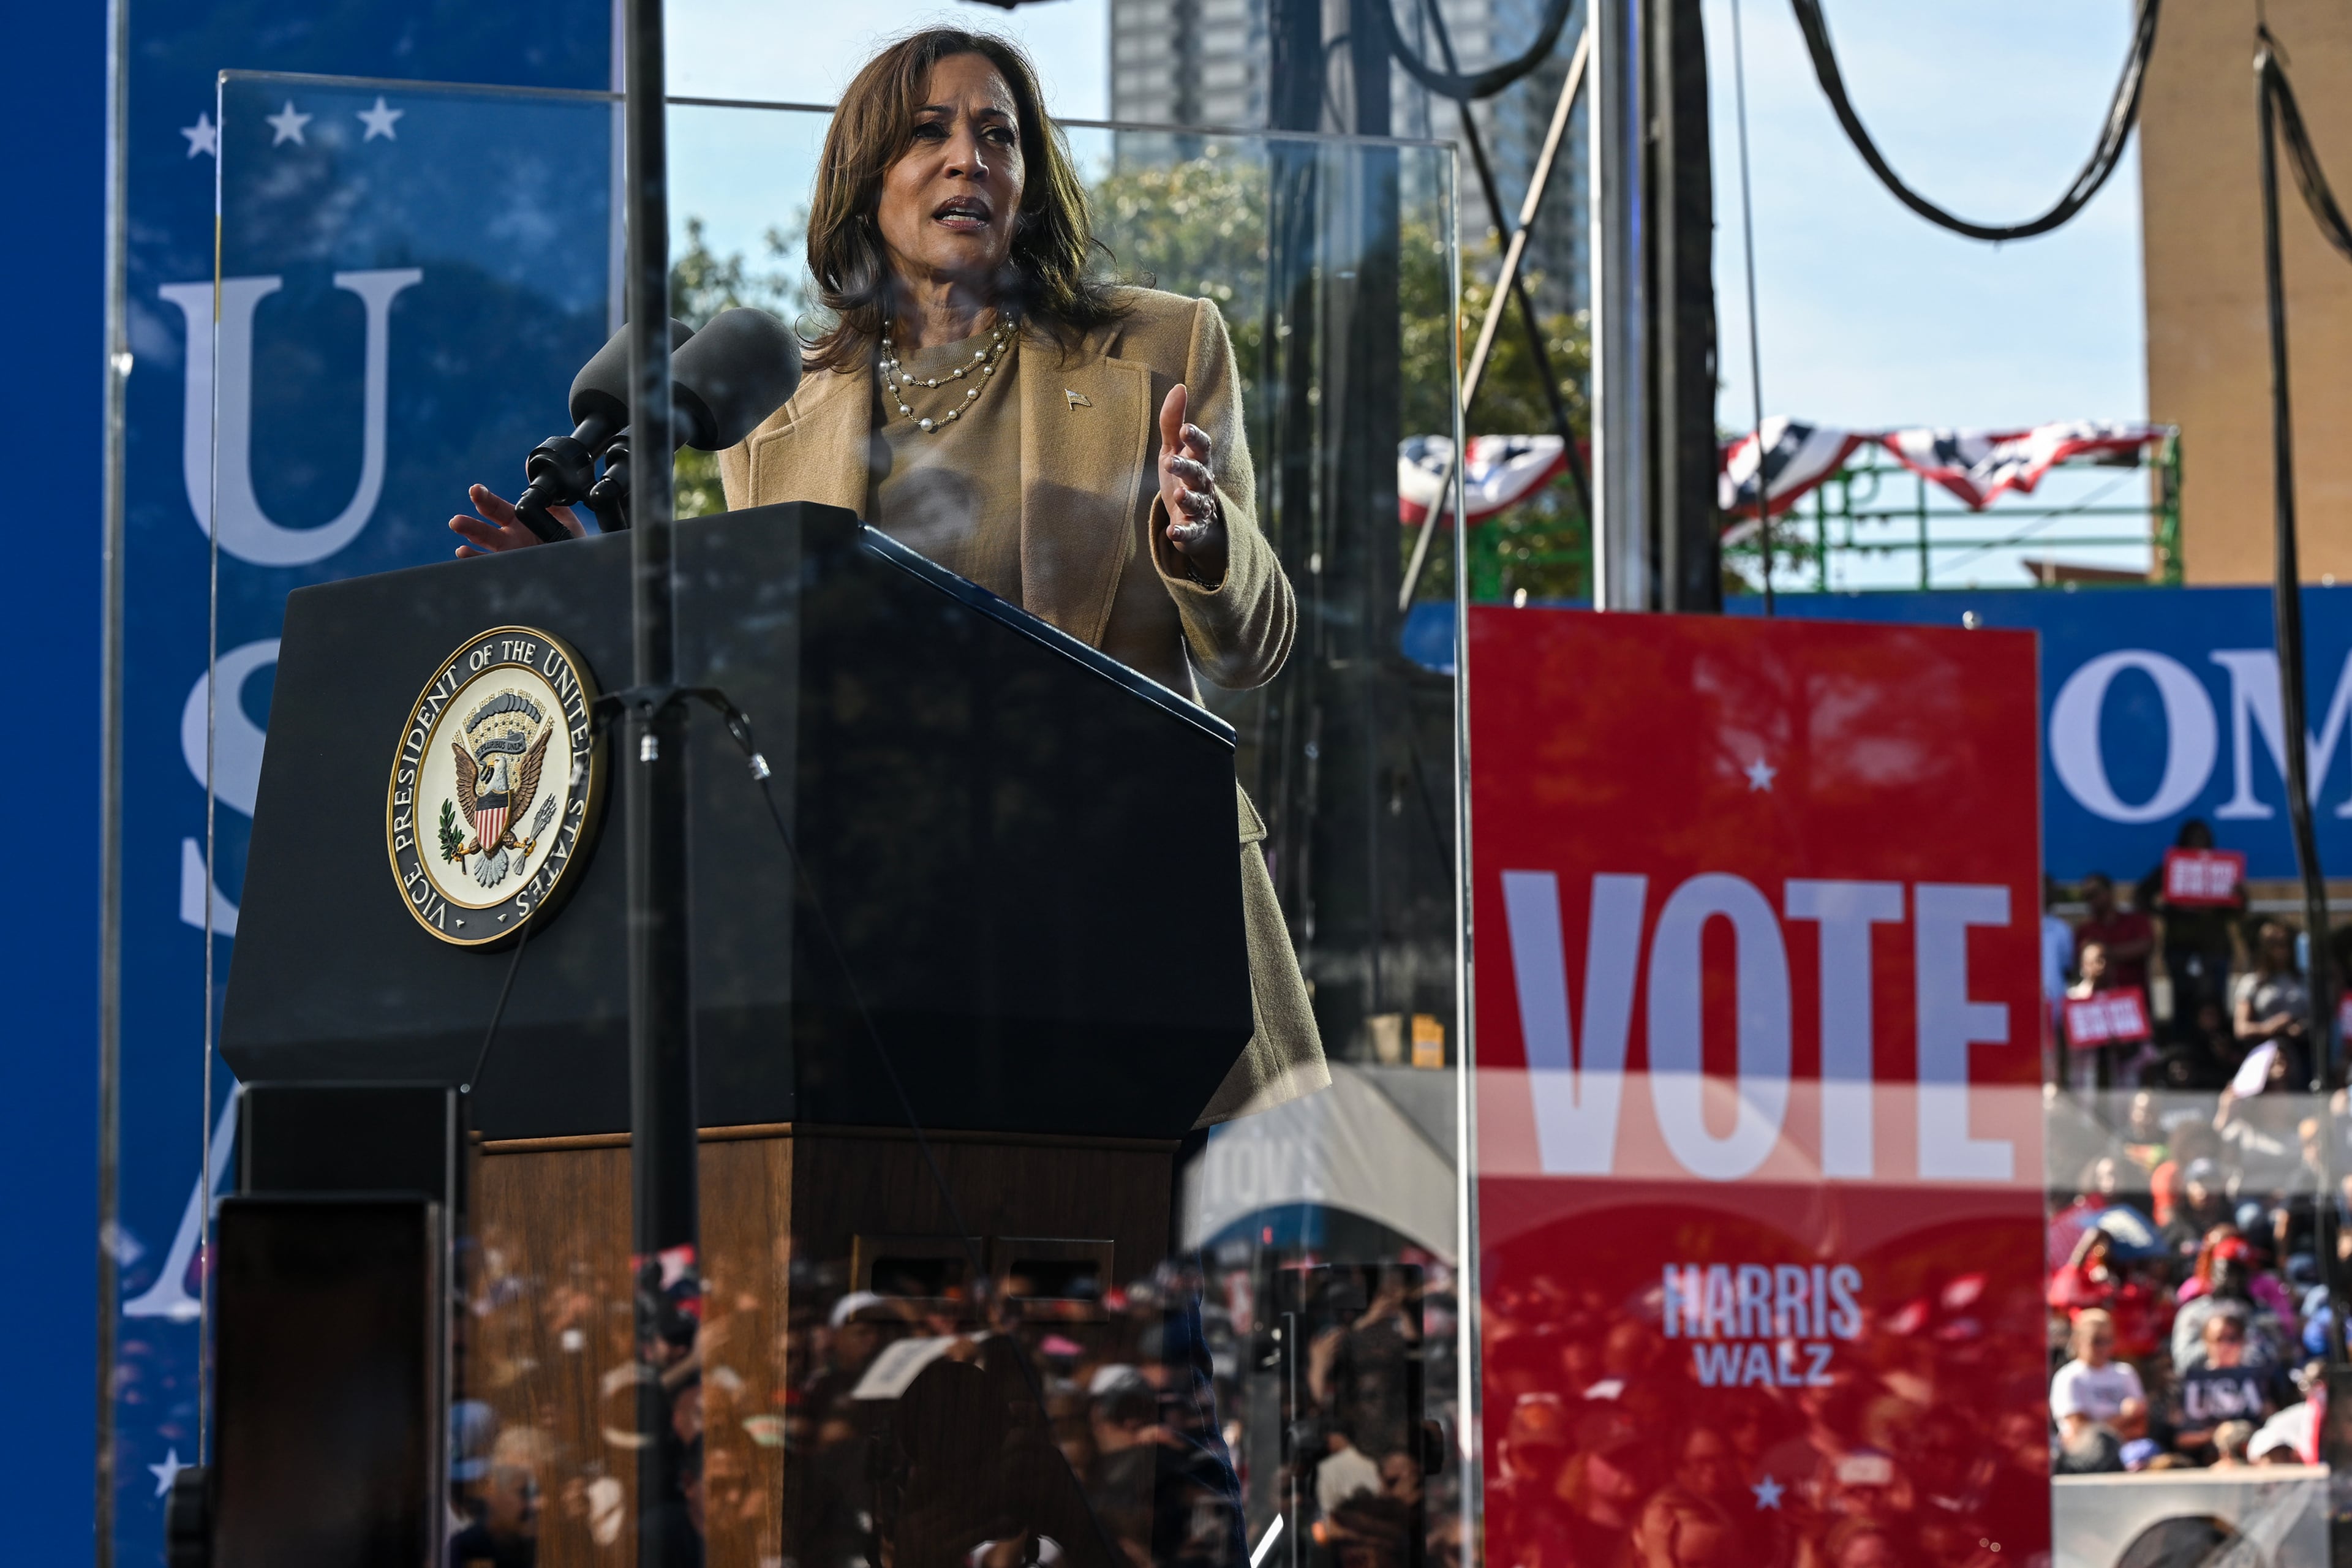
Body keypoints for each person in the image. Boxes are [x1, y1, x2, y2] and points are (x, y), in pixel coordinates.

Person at [447, 26, 1324, 1129]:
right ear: (866, 181)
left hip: (1130, 914)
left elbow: (1255, 650)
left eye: (998, 135)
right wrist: (594, 596)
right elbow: (755, 692)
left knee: (1155, 1289)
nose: (970, 159)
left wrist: (1203, 546)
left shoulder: (1162, 346)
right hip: (893, 943)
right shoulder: (772, 413)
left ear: (1029, 180)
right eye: (929, 133)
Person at [2173, 1310, 2290, 1460]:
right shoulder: (2189, 1383)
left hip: (2253, 1457)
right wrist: (2217, 1435)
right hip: (2201, 1461)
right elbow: (2179, 1438)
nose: (2225, 1346)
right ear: (2206, 1342)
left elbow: (2276, 1426)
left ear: (2243, 1341)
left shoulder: (2263, 1379)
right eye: (2218, 1339)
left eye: (2232, 1338)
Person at [2049, 1309, 2147, 1451]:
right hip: (2086, 1457)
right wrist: (2124, 1417)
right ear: (2078, 1340)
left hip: (2128, 1452)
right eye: (2096, 1341)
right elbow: (2080, 1433)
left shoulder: (2126, 1373)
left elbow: (2139, 1429)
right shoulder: (2068, 1377)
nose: (2104, 1348)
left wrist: (2099, 1426)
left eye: (2108, 1341)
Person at [2235, 920, 2312, 1087]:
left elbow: (2323, 1020)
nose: (2280, 950)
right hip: (2266, 1054)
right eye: (2274, 944)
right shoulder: (2252, 983)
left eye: (2285, 944)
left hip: (2302, 1053)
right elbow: (2241, 1028)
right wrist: (2270, 1027)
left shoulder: (2305, 981)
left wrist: (2300, 1028)